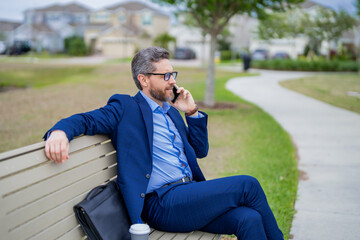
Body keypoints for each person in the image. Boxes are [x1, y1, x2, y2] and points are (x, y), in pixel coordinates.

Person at [44, 46, 283, 240]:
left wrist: (191, 113)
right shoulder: (126, 107)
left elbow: (200, 151)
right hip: (162, 203)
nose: (172, 81)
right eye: (165, 75)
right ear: (144, 80)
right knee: (247, 185)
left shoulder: (171, 112)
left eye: (173, 74)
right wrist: (59, 132)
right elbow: (86, 120)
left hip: (187, 196)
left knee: (248, 219)